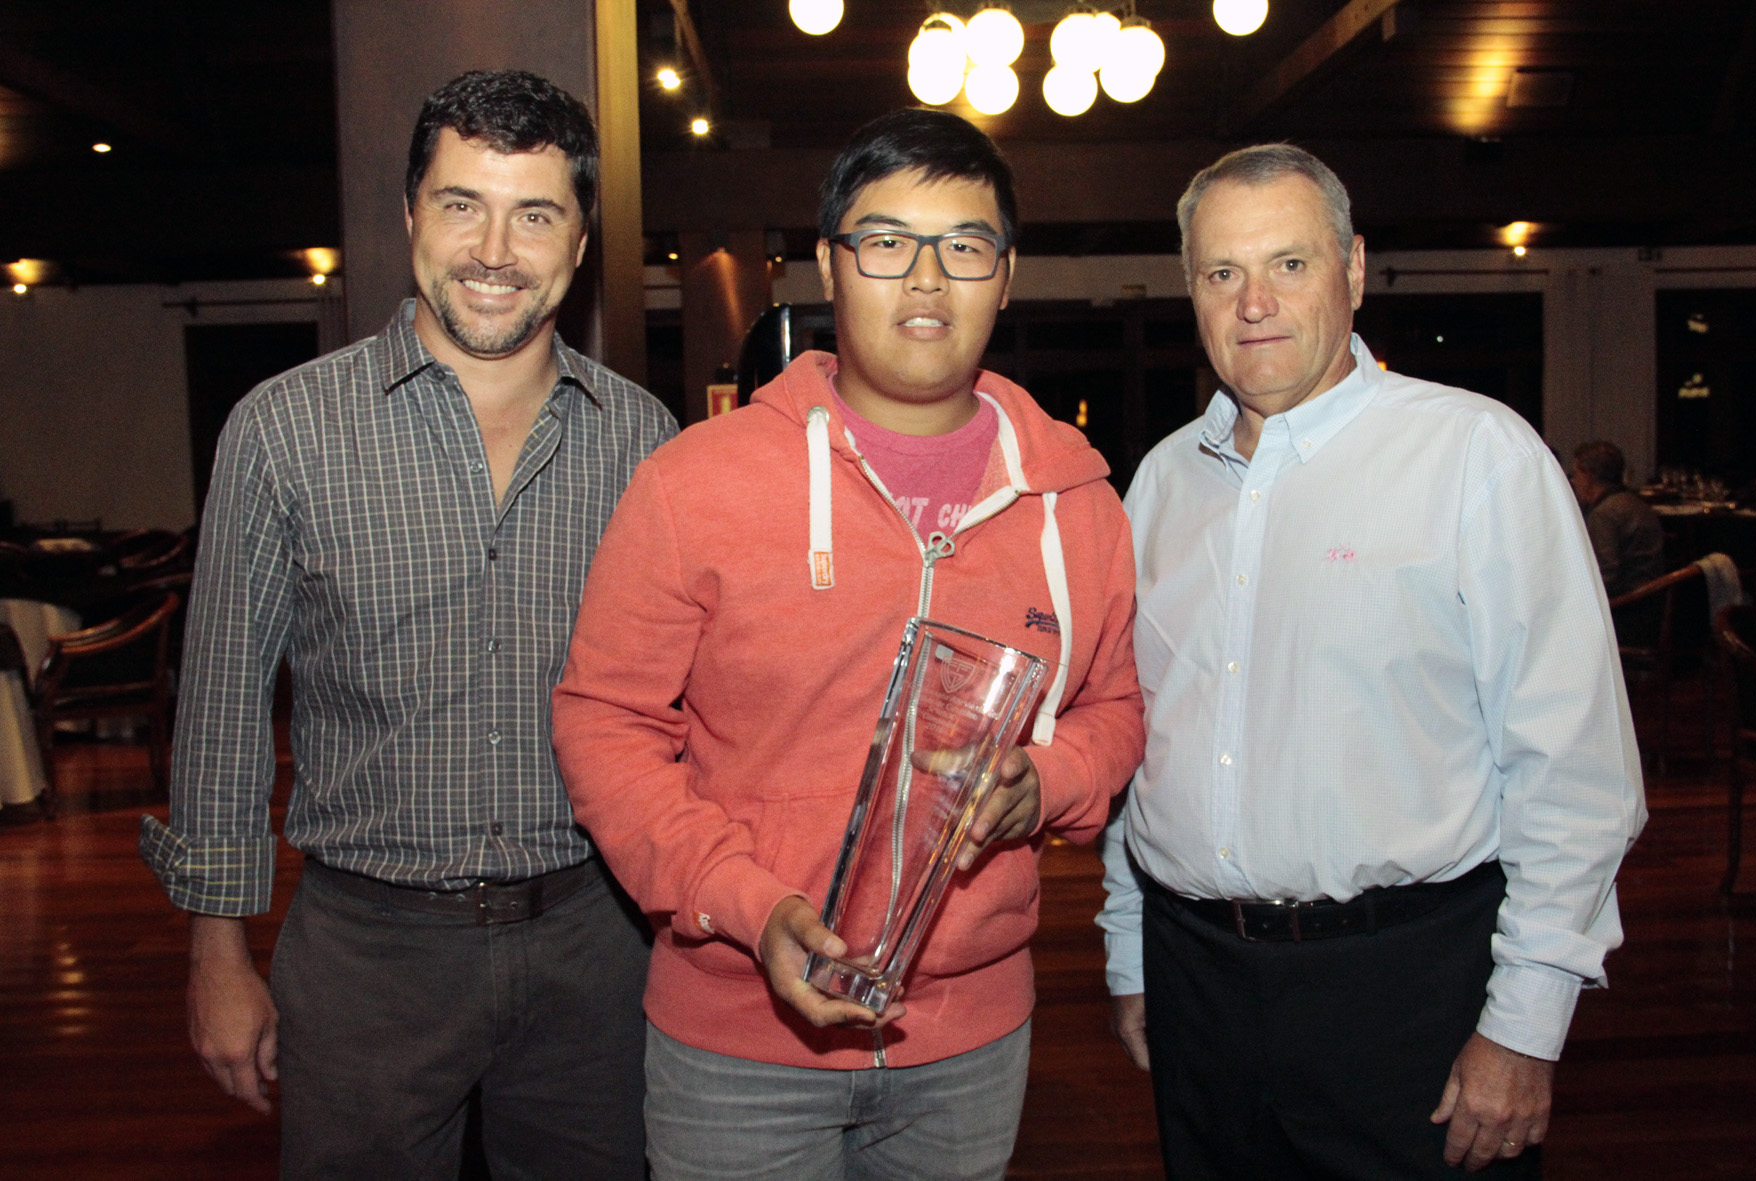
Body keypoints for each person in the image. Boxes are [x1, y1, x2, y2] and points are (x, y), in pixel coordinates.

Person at [552, 107, 1143, 1180]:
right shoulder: (695, 481)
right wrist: (748, 902)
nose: (925, 279)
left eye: (963, 247)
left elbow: (1112, 709)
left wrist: (1043, 780)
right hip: (734, 1037)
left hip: (968, 1041)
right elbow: (604, 723)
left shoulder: (1077, 501)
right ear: (830, 264)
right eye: (885, 242)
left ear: (1003, 278)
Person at [138, 70, 676, 1177]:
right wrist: (216, 949)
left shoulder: (644, 439)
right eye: (460, 203)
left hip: (596, 938)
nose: (494, 248)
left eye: (534, 213)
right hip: (365, 952)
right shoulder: (282, 430)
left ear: (578, 242)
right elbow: (224, 704)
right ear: (408, 216)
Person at [1097, 144, 1646, 1179]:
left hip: (1408, 990)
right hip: (1194, 981)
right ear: (1190, 289)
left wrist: (1524, 1024)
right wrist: (1132, 954)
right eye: (1221, 273)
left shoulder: (1475, 456)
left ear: (1351, 270)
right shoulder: (1162, 484)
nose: (1252, 301)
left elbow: (1572, 770)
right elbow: (1142, 742)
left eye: (1288, 264)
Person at [1570, 439, 1665, 598]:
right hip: (1651, 600)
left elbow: (1605, 576)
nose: (1573, 482)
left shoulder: (1604, 514)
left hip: (1627, 606)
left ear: (1588, 476)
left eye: (1575, 475)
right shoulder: (1636, 503)